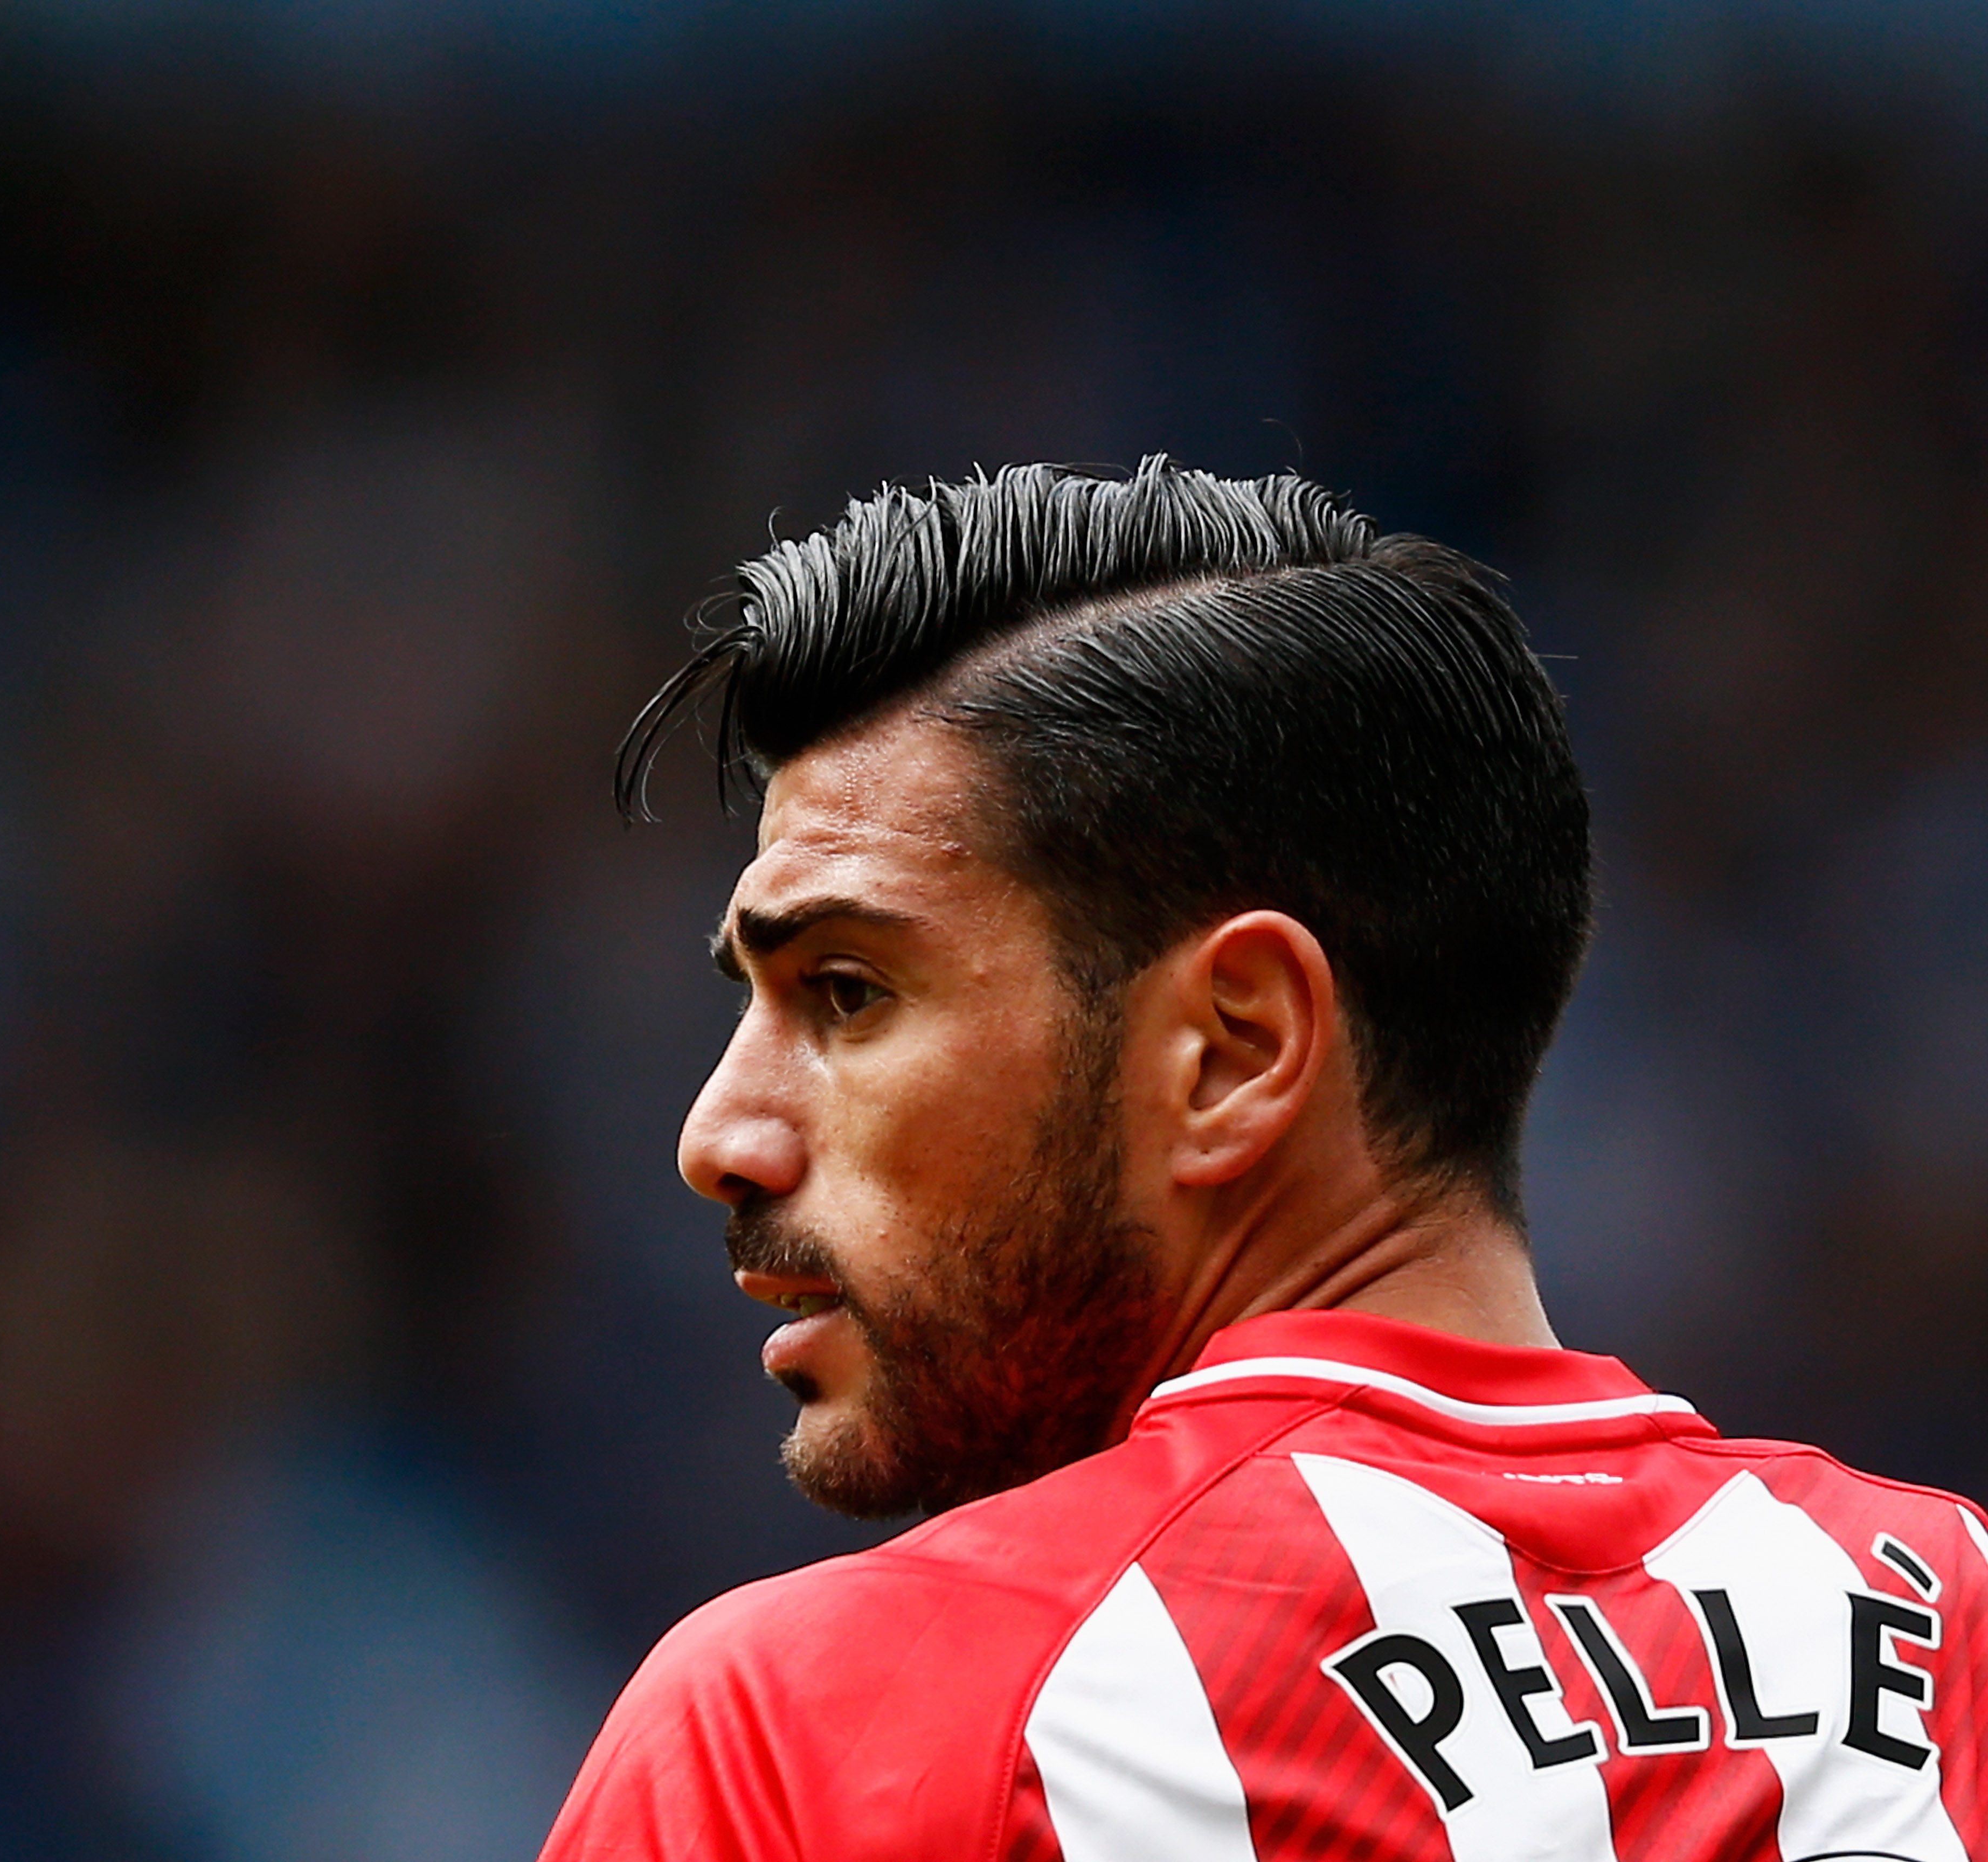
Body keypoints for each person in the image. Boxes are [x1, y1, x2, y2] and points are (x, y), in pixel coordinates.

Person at [538, 457, 1988, 1860]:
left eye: (851, 992)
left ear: (1234, 1050)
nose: (719, 1138)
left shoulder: (816, 1739)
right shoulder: (1964, 1636)